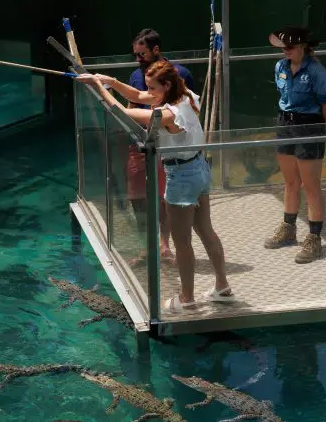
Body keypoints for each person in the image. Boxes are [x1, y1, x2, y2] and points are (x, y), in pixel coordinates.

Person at [75, 60, 234, 309]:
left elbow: (121, 112)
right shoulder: (187, 96)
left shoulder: (168, 114)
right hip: (200, 169)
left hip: (181, 177)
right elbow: (138, 95)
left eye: (153, 87)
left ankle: (187, 299)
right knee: (206, 231)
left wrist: (97, 85)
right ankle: (222, 287)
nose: (148, 92)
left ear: (167, 85)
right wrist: (113, 82)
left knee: (182, 243)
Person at [264, 27, 326, 264]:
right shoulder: (280, 67)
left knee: (310, 184)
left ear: (303, 47)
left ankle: (314, 238)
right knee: (290, 181)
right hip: (285, 123)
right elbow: (281, 95)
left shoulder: (317, 72)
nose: (285, 51)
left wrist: (316, 130)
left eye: (290, 47)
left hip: (310, 124)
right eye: (283, 48)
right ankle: (289, 227)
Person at [126, 28, 195, 267]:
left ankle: (164, 246)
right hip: (139, 143)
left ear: (156, 50)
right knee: (137, 194)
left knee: (165, 197)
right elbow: (132, 102)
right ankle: (148, 246)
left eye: (142, 54)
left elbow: (188, 110)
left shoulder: (180, 74)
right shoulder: (136, 75)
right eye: (135, 54)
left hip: (165, 145)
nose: (138, 60)